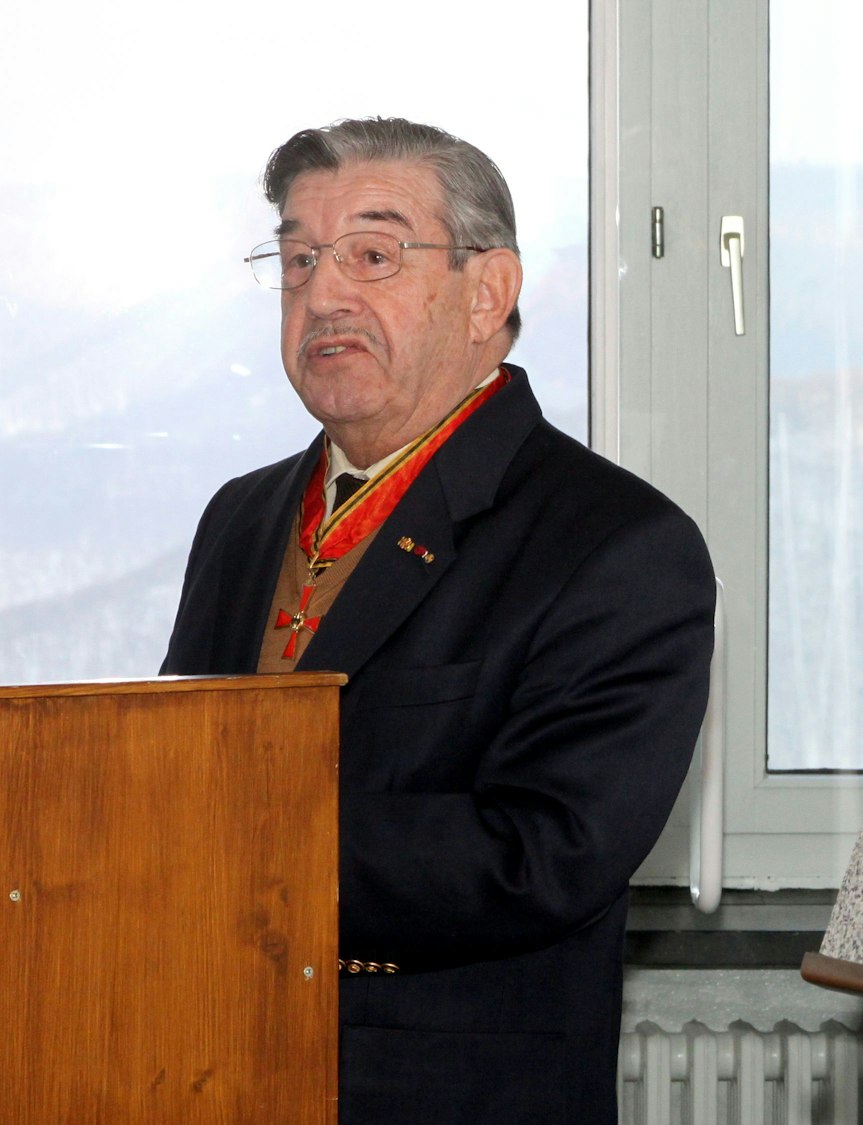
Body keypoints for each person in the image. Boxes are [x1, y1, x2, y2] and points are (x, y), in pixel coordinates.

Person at [161, 118, 714, 1123]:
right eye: (296, 260)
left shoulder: (614, 544)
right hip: (204, 1070)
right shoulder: (241, 519)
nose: (322, 293)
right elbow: (179, 760)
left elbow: (540, 854)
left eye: (371, 255)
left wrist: (231, 846)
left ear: (487, 292)